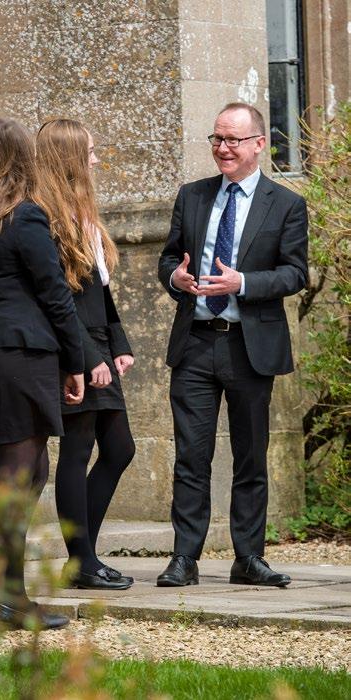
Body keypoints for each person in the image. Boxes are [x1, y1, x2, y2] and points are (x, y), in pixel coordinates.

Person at [157, 103, 308, 588]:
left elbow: (295, 273)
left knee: (250, 457)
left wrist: (242, 282)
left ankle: (248, 558)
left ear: (259, 144)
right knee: (191, 457)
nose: (223, 148)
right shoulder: (192, 196)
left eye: (233, 140)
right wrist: (177, 279)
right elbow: (168, 260)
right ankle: (185, 558)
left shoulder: (285, 204)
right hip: (196, 345)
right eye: (217, 139)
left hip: (250, 346)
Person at [0, 118, 85, 629]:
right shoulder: (24, 216)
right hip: (21, 354)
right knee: (18, 474)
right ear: (23, 158)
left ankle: (5, 592)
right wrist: (77, 361)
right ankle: (4, 598)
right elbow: (54, 294)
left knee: (29, 469)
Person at [35, 118, 135, 590]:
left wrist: (119, 344)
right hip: (72, 347)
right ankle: (83, 561)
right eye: (90, 152)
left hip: (96, 342)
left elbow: (100, 291)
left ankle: (83, 558)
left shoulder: (82, 213)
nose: (95, 160)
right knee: (77, 451)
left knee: (120, 448)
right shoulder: (46, 220)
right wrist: (88, 356)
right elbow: (60, 300)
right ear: (69, 158)